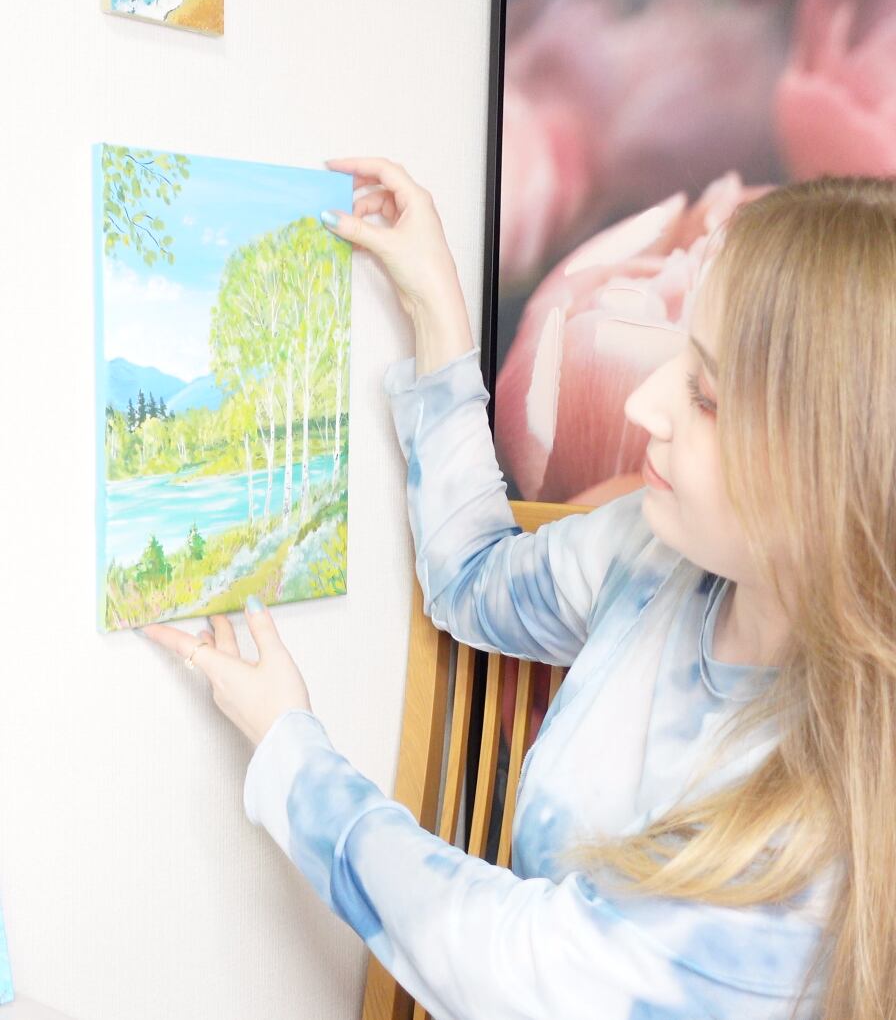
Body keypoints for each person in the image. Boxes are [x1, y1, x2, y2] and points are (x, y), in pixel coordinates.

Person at [138, 159, 896, 1020]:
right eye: (682, 356)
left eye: (707, 396)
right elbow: (471, 578)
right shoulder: (654, 557)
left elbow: (502, 960)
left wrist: (289, 750)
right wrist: (433, 303)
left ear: (838, 477)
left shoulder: (811, 856)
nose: (644, 405)